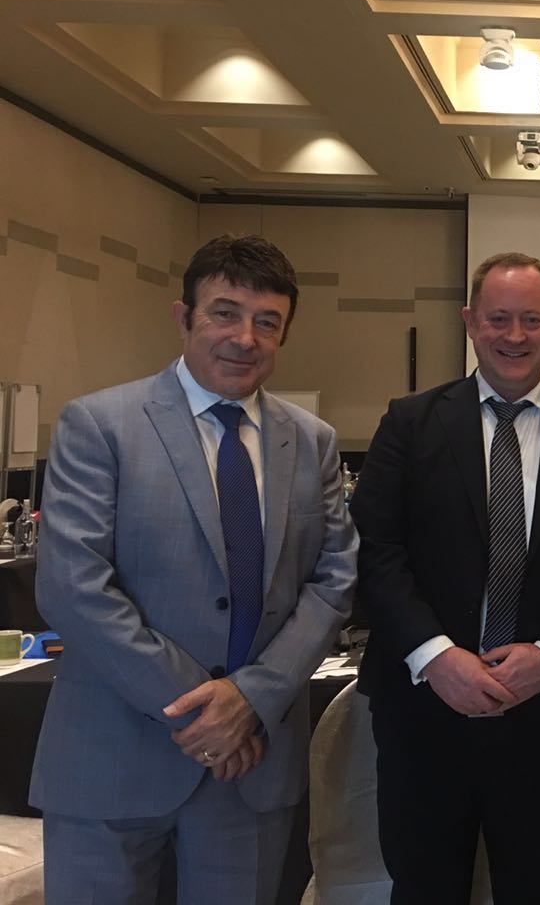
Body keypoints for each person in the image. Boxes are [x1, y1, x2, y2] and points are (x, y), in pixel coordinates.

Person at [30, 234, 358, 904]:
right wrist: (206, 712)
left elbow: (334, 580)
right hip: (112, 756)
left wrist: (252, 701)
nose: (244, 338)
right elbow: (73, 587)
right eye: (225, 313)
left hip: (250, 767)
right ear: (184, 317)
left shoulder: (313, 442)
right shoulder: (100, 425)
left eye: (267, 322)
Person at [352, 251, 540, 904]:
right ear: (470, 322)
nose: (515, 335)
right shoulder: (409, 423)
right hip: (426, 709)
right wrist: (436, 656)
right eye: (498, 318)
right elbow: (375, 551)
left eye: (531, 319)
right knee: (425, 889)